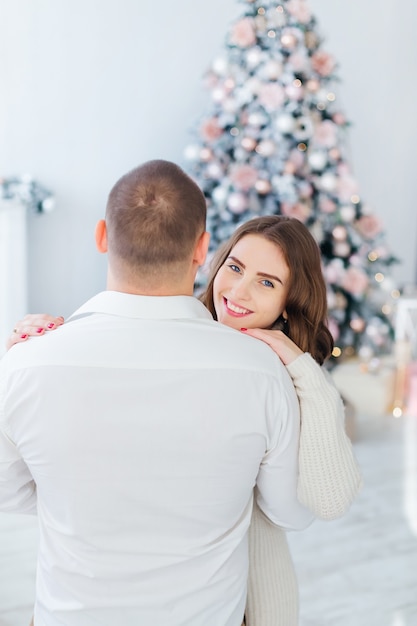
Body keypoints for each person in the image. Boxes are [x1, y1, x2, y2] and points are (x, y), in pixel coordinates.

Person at [0, 161, 314, 626]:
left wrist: (84, 492)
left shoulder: (25, 366)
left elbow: (8, 493)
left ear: (102, 236)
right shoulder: (263, 373)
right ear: (203, 249)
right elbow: (291, 510)